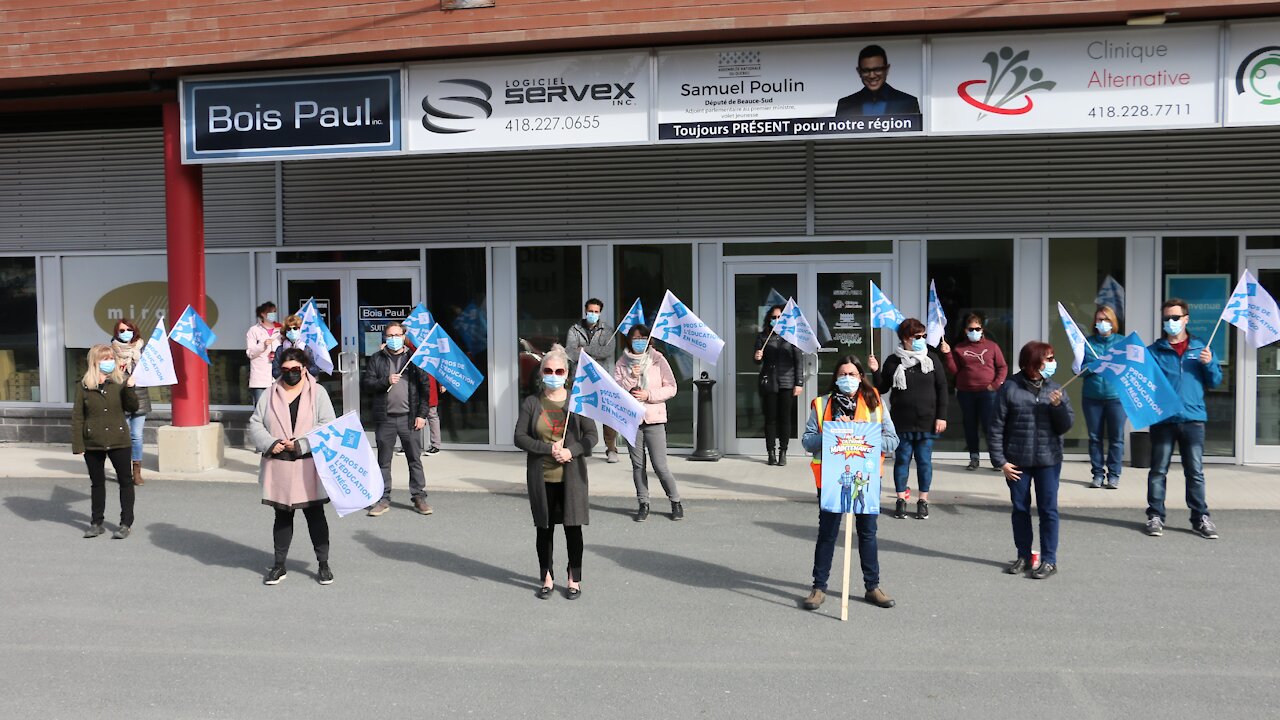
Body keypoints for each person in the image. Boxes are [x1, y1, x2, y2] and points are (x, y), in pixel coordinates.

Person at [801, 356, 899, 611]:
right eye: (843, 374)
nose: (848, 378)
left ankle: (873, 586)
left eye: (853, 374)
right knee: (828, 532)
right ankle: (818, 587)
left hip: (866, 478)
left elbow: (893, 441)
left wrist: (865, 432)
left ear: (861, 377)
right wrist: (832, 432)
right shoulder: (822, 404)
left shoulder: (875, 403)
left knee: (867, 532)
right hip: (831, 479)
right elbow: (807, 441)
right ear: (836, 378)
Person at [514, 344, 597, 599]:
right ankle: (547, 576)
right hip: (542, 477)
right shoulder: (531, 402)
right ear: (541, 373)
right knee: (544, 528)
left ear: (566, 374)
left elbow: (592, 436)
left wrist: (572, 451)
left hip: (571, 478)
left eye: (558, 370)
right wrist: (547, 449)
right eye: (548, 370)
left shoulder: (577, 401)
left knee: (573, 529)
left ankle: (575, 577)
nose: (553, 374)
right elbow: (519, 437)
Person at [248, 348, 337, 586]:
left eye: (295, 370)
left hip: (309, 465)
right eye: (285, 370)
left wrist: (302, 444)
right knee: (282, 517)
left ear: (304, 368)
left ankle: (323, 564)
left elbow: (327, 425)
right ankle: (279, 565)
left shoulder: (318, 392)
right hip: (279, 465)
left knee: (315, 516)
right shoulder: (269, 393)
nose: (290, 374)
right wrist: (271, 443)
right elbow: (256, 423)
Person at [989, 341, 1073, 580]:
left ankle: (1049, 560)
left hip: (1049, 459)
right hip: (1017, 461)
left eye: (1052, 358)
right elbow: (995, 427)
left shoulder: (1056, 389)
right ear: (1033, 363)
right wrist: (1001, 461)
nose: (1052, 363)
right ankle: (1023, 555)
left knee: (1048, 510)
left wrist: (1058, 407)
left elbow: (1066, 425)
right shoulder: (1010, 388)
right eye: (1047, 359)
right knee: (1020, 508)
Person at [1145, 299, 1223, 539]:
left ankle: (1200, 517)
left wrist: (1209, 365)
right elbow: (1142, 383)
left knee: (1195, 472)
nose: (1171, 322)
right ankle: (1155, 516)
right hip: (1164, 419)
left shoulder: (1201, 348)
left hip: (1193, 418)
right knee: (1158, 470)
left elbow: (1215, 381)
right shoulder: (1154, 351)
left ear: (1186, 319)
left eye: (1176, 318)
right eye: (1167, 318)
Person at [869, 318, 948, 520]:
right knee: (902, 460)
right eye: (917, 337)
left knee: (924, 461)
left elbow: (942, 389)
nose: (922, 339)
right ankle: (901, 499)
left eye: (923, 336)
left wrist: (941, 417)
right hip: (902, 421)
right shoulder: (893, 361)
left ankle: (922, 501)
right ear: (905, 338)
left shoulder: (931, 358)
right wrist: (875, 370)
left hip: (927, 420)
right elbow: (882, 388)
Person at [361, 322, 433, 517]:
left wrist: (421, 415)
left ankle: (419, 497)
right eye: (390, 335)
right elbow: (367, 384)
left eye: (397, 335)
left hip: (409, 419)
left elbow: (425, 389)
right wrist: (385, 381)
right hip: (385, 419)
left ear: (404, 336)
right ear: (385, 337)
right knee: (383, 461)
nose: (393, 338)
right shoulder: (377, 359)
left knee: (414, 460)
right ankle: (383, 499)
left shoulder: (414, 359)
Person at [614, 325, 684, 522]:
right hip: (633, 420)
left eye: (643, 337)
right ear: (629, 340)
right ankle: (643, 503)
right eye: (635, 338)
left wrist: (649, 395)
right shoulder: (622, 362)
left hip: (654, 418)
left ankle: (675, 501)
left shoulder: (657, 359)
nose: (639, 341)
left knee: (660, 466)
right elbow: (617, 390)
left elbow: (671, 387)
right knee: (638, 465)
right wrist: (630, 377)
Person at [71, 345, 140, 540]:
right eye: (105, 359)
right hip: (93, 441)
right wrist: (78, 445)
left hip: (119, 440)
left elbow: (132, 407)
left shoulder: (120, 382)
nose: (109, 362)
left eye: (111, 358)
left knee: (125, 482)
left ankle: (126, 523)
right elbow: (77, 416)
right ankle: (96, 523)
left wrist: (130, 389)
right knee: (97, 483)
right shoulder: (83, 385)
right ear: (95, 362)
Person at [941, 313, 1007, 472]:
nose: (975, 331)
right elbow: (954, 370)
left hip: (988, 393)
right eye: (971, 329)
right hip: (966, 393)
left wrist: (996, 384)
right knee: (970, 426)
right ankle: (974, 457)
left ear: (982, 329)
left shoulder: (992, 346)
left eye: (978, 328)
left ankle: (996, 459)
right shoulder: (959, 348)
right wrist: (948, 354)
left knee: (990, 426)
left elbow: (1002, 367)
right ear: (965, 330)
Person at [566, 298, 620, 462]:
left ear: (600, 313)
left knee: (608, 415)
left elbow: (607, 351)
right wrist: (592, 351)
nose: (593, 314)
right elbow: (570, 351)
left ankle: (611, 449)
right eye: (590, 311)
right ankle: (582, 448)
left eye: (596, 312)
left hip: (602, 378)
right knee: (581, 414)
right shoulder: (574, 330)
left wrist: (584, 350)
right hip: (581, 378)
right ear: (585, 310)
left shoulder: (607, 330)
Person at [754, 303, 805, 466]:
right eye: (773, 317)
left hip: (787, 382)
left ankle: (783, 451)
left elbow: (799, 361)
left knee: (785, 419)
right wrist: (758, 356)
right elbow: (756, 362)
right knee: (770, 419)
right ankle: (771, 452)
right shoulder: (763, 337)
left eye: (779, 318)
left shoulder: (791, 337)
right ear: (769, 319)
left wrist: (799, 383)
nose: (776, 320)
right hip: (769, 382)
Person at [1082, 305, 1125, 489]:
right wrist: (1094, 365)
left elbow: (1129, 369)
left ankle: (1114, 475)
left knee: (1116, 438)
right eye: (1099, 320)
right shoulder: (1087, 343)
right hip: (1092, 397)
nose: (1102, 323)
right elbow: (1078, 371)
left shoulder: (1123, 342)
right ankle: (1097, 474)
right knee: (1095, 437)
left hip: (1116, 397)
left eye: (1106, 320)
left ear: (1113, 322)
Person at [110, 318, 152, 486]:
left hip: (140, 397)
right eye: (121, 330)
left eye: (129, 329)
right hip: (120, 397)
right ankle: (124, 470)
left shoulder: (143, 349)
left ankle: (137, 471)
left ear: (135, 331)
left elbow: (152, 371)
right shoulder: (111, 351)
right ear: (116, 332)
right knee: (123, 436)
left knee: (136, 436)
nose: (125, 333)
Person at [834, 44, 921, 118]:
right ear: (859, 72)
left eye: (877, 69)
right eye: (866, 71)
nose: (872, 75)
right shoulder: (845, 105)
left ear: (887, 69)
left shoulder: (908, 102)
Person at [246, 301, 281, 406]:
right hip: (260, 377)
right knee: (260, 408)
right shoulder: (254, 330)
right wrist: (262, 345)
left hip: (278, 376)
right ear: (262, 314)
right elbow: (250, 353)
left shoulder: (280, 329)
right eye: (270, 312)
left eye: (274, 312)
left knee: (277, 408)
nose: (273, 315)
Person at [271, 314, 319, 379]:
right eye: (289, 329)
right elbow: (275, 371)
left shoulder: (306, 348)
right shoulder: (280, 349)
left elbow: (315, 370)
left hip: (304, 382)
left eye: (295, 328)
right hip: (285, 384)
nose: (292, 331)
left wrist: (301, 370)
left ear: (300, 330)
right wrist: (287, 371)